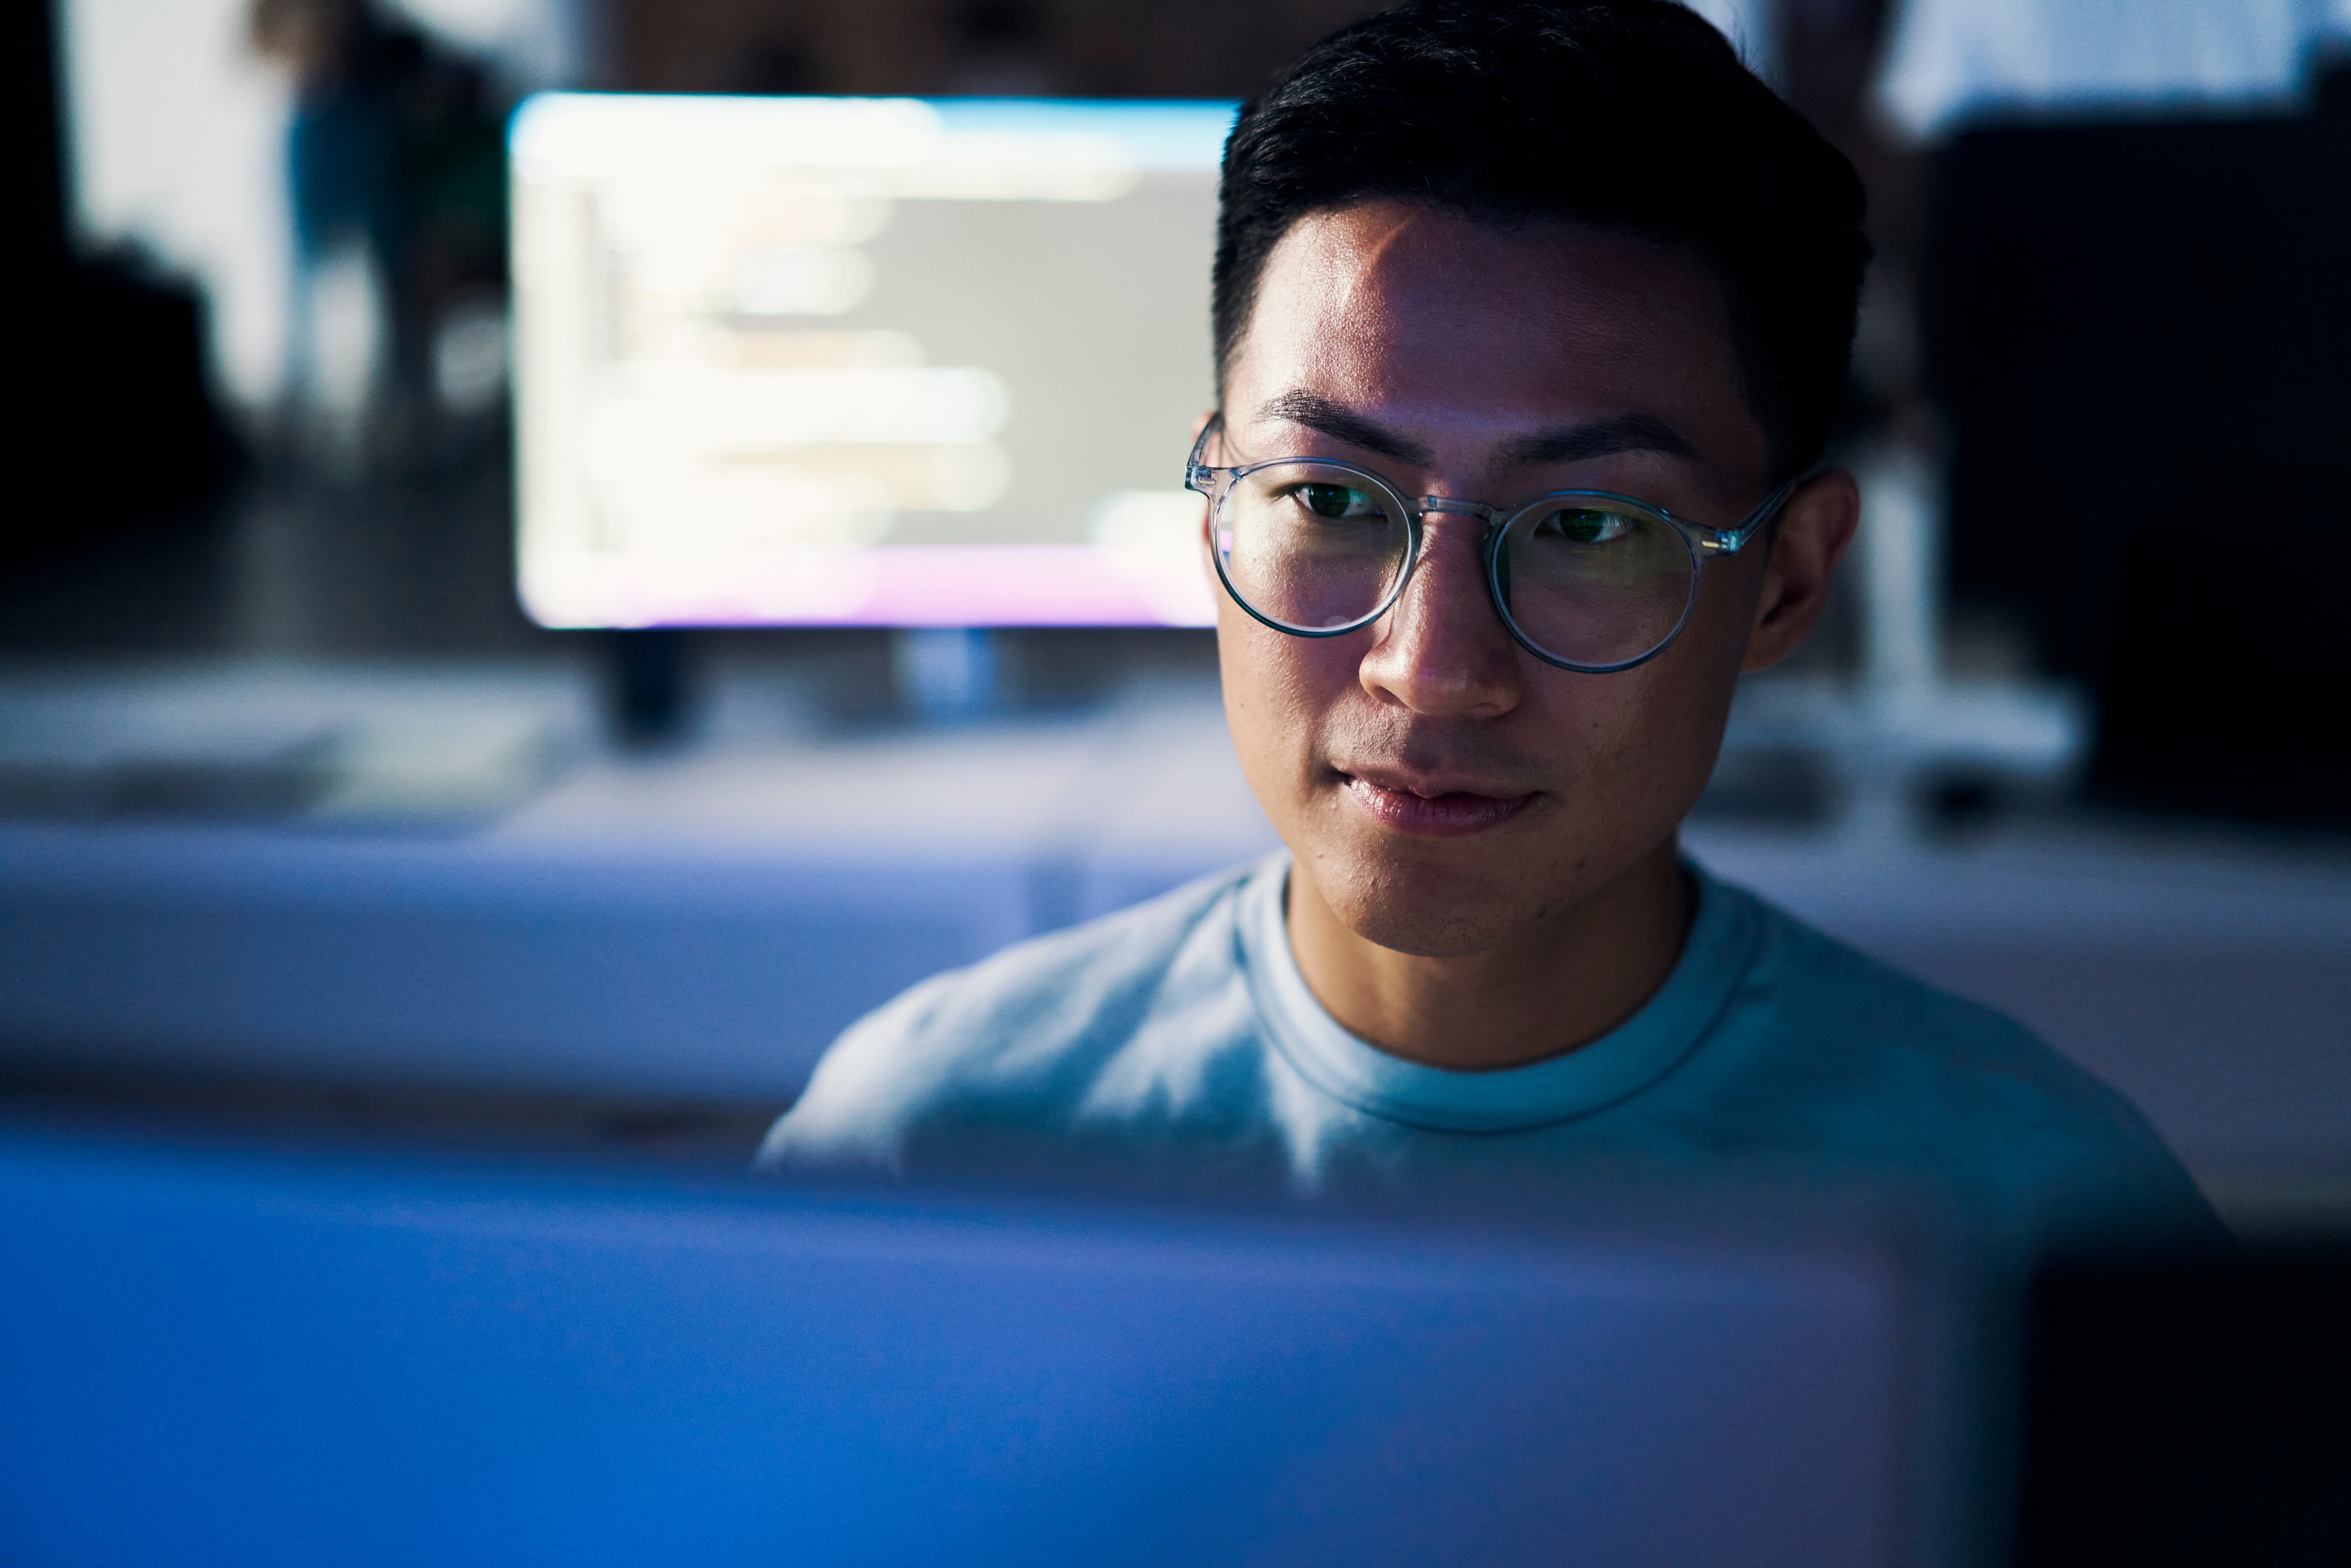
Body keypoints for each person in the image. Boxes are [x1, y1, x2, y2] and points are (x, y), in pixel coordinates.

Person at [761, 0, 2221, 1255]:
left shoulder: (2034, 1226)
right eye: (1330, 498)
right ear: (1213, 508)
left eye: (1589, 526)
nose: (1432, 666)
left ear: (1782, 581)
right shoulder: (929, 1152)